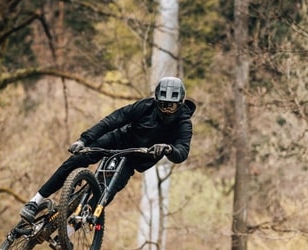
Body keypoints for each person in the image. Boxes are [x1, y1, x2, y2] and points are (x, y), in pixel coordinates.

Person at [20, 76, 195, 222]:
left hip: (135, 158)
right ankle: (35, 201)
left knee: (106, 192)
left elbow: (182, 152)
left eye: (171, 105)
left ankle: (70, 231)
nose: (166, 109)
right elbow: (113, 120)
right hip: (117, 140)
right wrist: (83, 140)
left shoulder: (184, 124)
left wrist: (168, 149)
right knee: (77, 160)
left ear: (180, 104)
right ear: (156, 101)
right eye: (163, 104)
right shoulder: (145, 106)